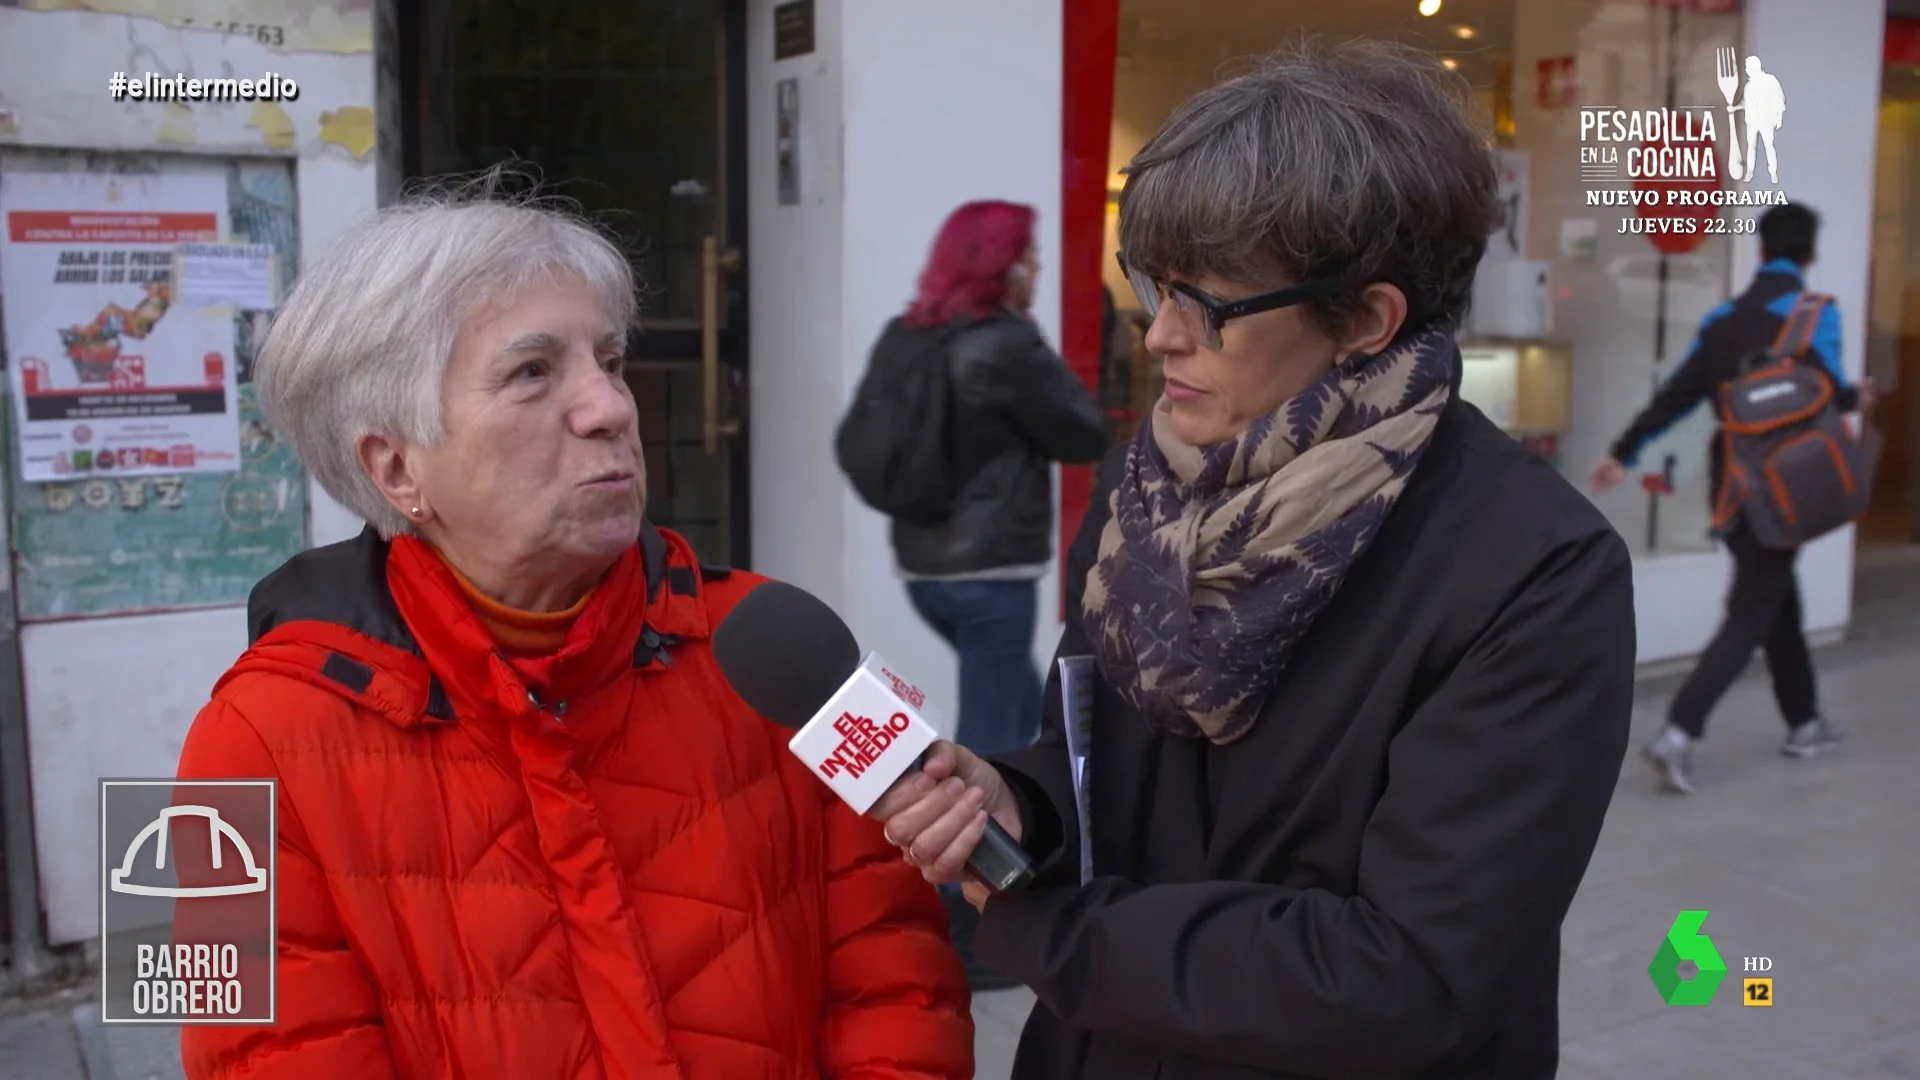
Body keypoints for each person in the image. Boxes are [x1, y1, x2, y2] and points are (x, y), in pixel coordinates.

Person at [871, 41, 1637, 1080]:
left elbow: (1412, 977)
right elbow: (1090, 750)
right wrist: (1023, 807)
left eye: (1212, 306)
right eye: (1153, 283)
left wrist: (1046, 928)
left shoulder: (1533, 570)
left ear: (1367, 319)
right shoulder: (1152, 482)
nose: (1161, 337)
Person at [170, 181, 973, 1078]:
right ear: (396, 466)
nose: (611, 409)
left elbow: (905, 981)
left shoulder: (779, 644)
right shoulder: (238, 741)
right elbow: (240, 1047)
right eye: (532, 372)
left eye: (611, 361)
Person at [877, 201, 1108, 988]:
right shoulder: (1007, 343)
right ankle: (966, 921)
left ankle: (984, 897)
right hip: (992, 575)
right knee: (995, 745)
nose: (1038, 271)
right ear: (1001, 266)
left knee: (1011, 710)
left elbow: (857, 445)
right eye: (1030, 257)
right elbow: (1082, 430)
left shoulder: (909, 336)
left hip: (927, 573)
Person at [1593, 202, 1875, 794]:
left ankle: (1804, 723)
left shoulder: (1721, 320)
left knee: (1777, 598)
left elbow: (1679, 394)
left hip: (1736, 485)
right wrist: (1856, 398)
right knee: (1754, 608)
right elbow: (1820, 399)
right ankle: (1679, 732)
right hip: (1792, 487)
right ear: (1809, 253)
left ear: (1762, 250)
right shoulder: (1813, 315)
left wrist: (1624, 451)